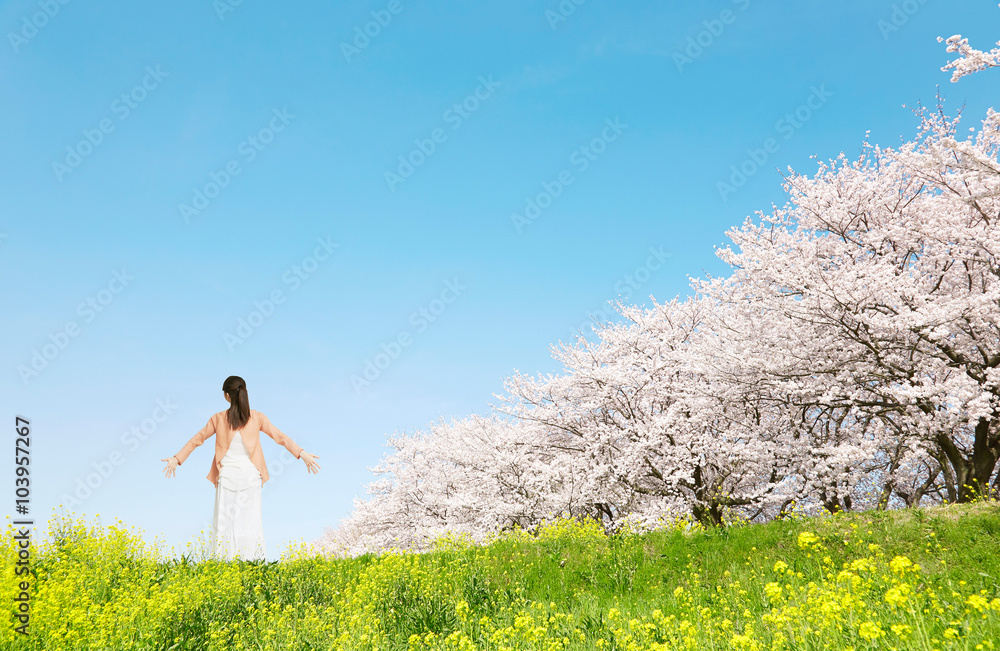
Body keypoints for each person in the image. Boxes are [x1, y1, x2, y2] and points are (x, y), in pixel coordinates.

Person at [161, 375, 320, 560]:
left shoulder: (218, 419)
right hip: (250, 478)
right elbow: (280, 437)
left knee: (223, 525)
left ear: (227, 396)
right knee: (250, 523)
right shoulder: (257, 417)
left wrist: (176, 458)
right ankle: (252, 562)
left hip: (227, 477)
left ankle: (222, 564)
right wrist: (302, 453)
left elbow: (197, 440)